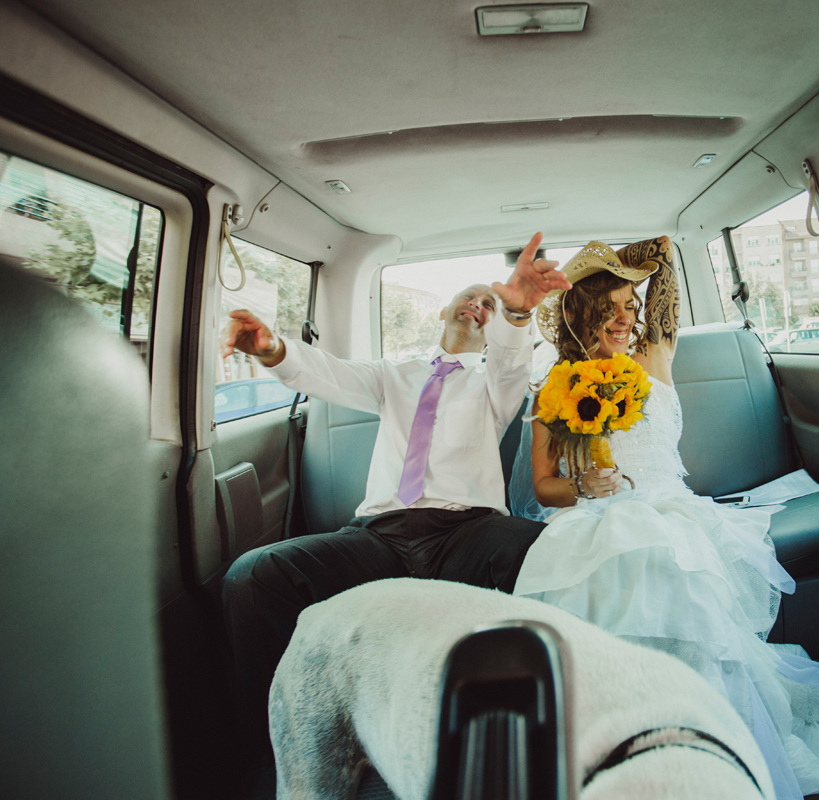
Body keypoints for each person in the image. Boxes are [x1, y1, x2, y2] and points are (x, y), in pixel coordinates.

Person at [511, 238, 819, 798]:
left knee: (671, 570)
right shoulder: (554, 387)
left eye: (630, 306)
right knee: (605, 589)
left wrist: (624, 259)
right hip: (591, 516)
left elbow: (665, 270)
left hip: (669, 507)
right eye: (609, 310)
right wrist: (578, 487)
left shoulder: (655, 353)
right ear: (581, 316)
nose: (624, 320)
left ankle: (711, 748)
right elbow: (543, 488)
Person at [220, 232, 570, 751]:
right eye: (468, 297)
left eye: (489, 303)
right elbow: (329, 374)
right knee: (253, 577)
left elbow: (512, 364)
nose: (477, 304)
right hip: (377, 537)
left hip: (468, 533)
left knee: (550, 552)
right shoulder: (393, 374)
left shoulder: (495, 383)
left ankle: (536, 730)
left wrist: (516, 316)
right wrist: (271, 348)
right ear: (444, 313)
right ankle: (284, 738)